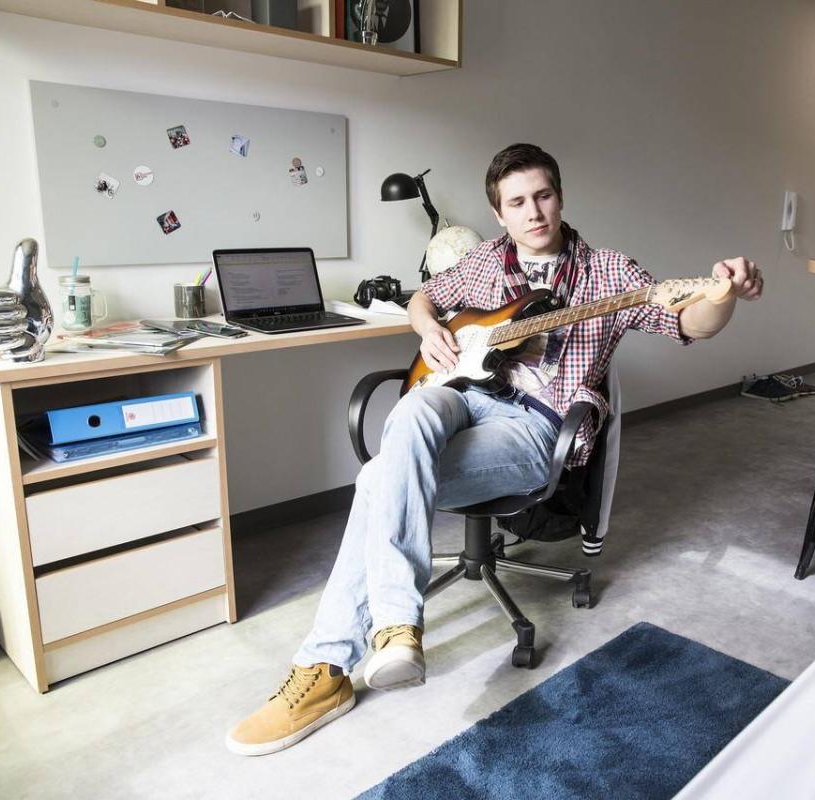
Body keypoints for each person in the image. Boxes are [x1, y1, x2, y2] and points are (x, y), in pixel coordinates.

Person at [226, 143, 764, 756]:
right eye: (517, 202)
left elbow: (688, 323)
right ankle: (391, 630)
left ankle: (332, 665)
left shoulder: (609, 273)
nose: (533, 212)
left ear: (560, 196)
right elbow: (426, 297)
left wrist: (722, 295)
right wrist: (429, 329)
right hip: (464, 395)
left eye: (543, 195)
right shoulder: (484, 260)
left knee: (379, 481)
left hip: (533, 426)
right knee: (413, 410)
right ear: (499, 213)